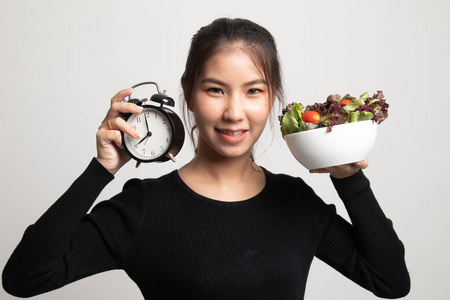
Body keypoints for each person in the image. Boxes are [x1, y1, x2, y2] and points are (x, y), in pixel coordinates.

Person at [2, 18, 410, 299]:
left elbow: (390, 281)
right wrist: (100, 170)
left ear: (273, 98)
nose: (235, 112)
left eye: (254, 91)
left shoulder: (296, 202)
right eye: (216, 90)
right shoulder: (143, 209)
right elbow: (25, 277)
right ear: (189, 93)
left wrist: (349, 179)